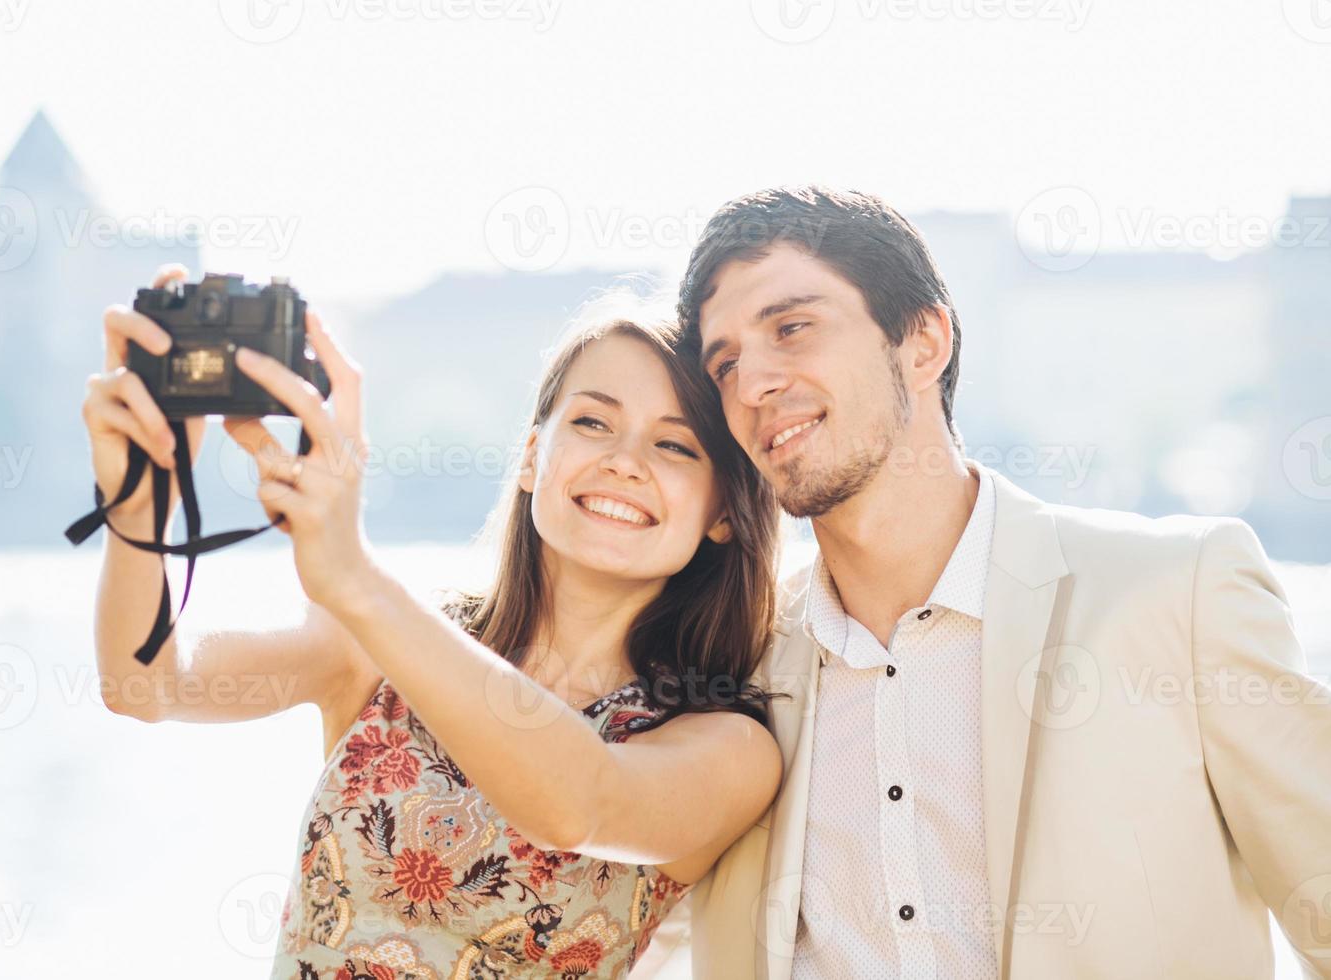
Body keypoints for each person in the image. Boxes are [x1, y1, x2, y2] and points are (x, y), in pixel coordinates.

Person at [675, 185, 1331, 979]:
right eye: (726, 363)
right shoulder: (735, 669)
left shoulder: (1180, 595)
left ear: (924, 343)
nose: (753, 385)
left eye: (793, 328)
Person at [80, 266, 784, 978]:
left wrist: (353, 577)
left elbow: (581, 803)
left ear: (724, 511)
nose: (623, 462)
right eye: (592, 422)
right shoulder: (383, 643)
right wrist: (142, 500)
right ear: (534, 458)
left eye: (675, 445)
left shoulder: (728, 749)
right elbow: (147, 685)